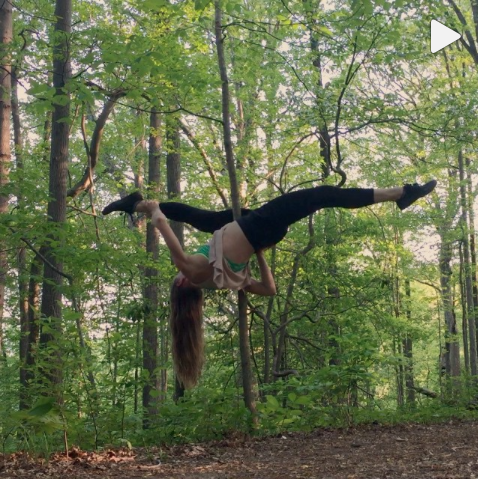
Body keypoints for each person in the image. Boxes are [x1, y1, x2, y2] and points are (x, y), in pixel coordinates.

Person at [102, 180, 437, 387]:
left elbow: (268, 289)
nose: (174, 276)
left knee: (197, 216)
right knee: (322, 195)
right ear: (181, 286)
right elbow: (164, 228)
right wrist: (154, 210)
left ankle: (131, 202)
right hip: (257, 226)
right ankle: (400, 194)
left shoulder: (219, 282)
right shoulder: (190, 271)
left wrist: (259, 254)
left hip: (252, 228)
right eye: (175, 280)